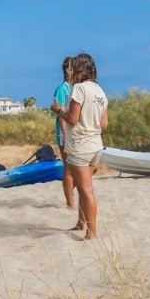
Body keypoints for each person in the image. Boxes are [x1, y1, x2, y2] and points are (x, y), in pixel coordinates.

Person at [51, 52, 108, 240]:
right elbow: (104, 124)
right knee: (87, 188)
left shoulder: (79, 89)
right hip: (96, 145)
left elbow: (73, 119)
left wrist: (59, 110)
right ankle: (81, 223)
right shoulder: (100, 91)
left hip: (80, 145)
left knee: (86, 191)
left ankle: (91, 233)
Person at [54, 56, 76, 210]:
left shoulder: (76, 88)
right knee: (68, 167)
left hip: (75, 133)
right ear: (67, 70)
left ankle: (69, 192)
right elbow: (60, 114)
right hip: (64, 133)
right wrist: (65, 135)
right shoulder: (62, 89)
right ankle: (70, 203)